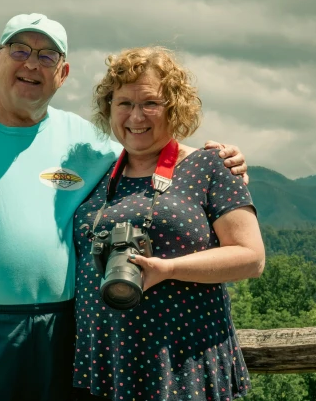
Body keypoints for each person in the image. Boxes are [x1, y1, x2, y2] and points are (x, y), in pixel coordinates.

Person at [0, 14, 247, 400]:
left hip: (65, 328)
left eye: (47, 56)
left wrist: (222, 159)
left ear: (63, 72)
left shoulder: (87, 141)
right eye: (19, 50)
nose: (32, 63)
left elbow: (148, 144)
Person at [72, 46, 265, 401]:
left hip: (181, 364)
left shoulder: (210, 167)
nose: (136, 116)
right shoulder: (97, 176)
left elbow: (251, 257)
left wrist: (168, 268)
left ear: (174, 107)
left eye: (150, 103)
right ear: (109, 109)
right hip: (106, 364)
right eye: (124, 103)